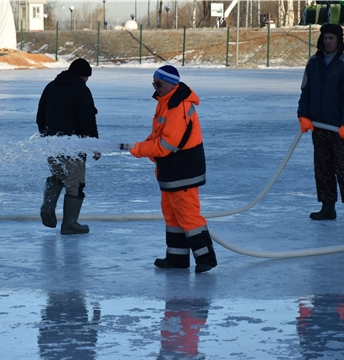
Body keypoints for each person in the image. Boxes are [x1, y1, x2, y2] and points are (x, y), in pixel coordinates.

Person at [120, 65, 217, 273]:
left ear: (171, 84)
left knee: (188, 215)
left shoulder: (178, 107)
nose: (155, 88)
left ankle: (206, 259)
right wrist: (144, 147)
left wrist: (139, 149)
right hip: (171, 172)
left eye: (159, 83)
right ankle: (177, 258)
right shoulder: (165, 102)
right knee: (172, 216)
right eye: (153, 83)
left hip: (184, 172)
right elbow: (157, 135)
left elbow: (168, 144)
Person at [36, 58, 100, 235]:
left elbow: (40, 117)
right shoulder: (81, 90)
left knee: (58, 175)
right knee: (75, 183)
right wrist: (94, 144)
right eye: (86, 77)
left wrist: (47, 137)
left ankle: (47, 205)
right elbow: (87, 119)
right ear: (82, 75)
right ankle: (70, 224)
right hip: (74, 146)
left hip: (52, 143)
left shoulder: (50, 87)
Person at [298, 23, 344, 221]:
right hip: (319, 127)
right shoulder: (313, 63)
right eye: (326, 38)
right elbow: (306, 91)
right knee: (323, 168)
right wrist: (303, 115)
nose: (328, 42)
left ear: (338, 41)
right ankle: (327, 207)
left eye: (332, 38)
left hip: (339, 128)